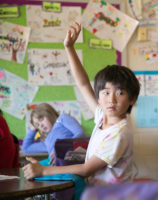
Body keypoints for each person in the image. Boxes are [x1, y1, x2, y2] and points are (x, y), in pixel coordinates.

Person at [23, 22, 140, 186]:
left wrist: (43, 171)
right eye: (106, 93)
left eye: (120, 93)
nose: (111, 99)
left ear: (132, 99)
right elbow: (84, 84)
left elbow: (87, 169)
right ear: (99, 98)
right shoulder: (102, 116)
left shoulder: (119, 133)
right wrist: (69, 47)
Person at [22, 103, 86, 164]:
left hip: (71, 164)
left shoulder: (62, 119)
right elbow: (26, 148)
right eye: (37, 125)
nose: (40, 125)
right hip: (57, 168)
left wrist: (60, 150)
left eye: (41, 119)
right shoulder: (47, 141)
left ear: (49, 113)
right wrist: (33, 129)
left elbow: (81, 134)